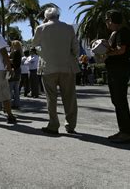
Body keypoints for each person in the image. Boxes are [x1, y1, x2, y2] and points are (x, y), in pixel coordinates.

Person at [31, 7, 79, 135]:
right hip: (67, 67)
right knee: (69, 97)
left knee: (51, 98)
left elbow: (34, 45)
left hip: (48, 68)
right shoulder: (69, 28)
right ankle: (70, 125)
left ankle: (53, 124)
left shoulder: (41, 28)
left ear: (46, 17)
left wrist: (43, 53)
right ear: (58, 15)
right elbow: (75, 48)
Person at [104, 9, 130, 144]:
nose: (106, 23)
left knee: (120, 101)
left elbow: (121, 50)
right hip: (116, 69)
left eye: (107, 20)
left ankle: (125, 133)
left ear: (111, 20)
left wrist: (107, 53)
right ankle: (123, 130)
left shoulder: (123, 32)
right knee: (117, 100)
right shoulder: (115, 33)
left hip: (120, 69)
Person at [9, 40, 23, 109]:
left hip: (13, 71)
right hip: (18, 71)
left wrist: (8, 60)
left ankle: (10, 104)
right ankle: (17, 103)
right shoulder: (20, 52)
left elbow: (13, 62)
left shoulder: (15, 52)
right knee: (16, 89)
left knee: (10, 88)